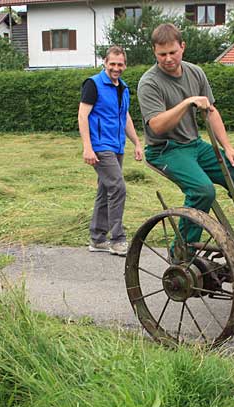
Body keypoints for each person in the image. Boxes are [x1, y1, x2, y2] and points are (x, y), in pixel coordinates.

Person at [137, 23, 234, 254]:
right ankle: (183, 250)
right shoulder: (149, 82)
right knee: (203, 191)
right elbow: (157, 126)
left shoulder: (195, 72)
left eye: (172, 52)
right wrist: (186, 103)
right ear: (154, 51)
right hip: (166, 150)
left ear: (182, 47)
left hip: (195, 145)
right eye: (161, 54)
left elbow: (211, 111)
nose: (167, 59)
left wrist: (228, 147)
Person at [78, 46, 142, 257]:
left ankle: (97, 239)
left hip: (117, 146)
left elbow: (125, 117)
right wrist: (87, 147)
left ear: (125, 65)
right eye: (112, 64)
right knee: (117, 187)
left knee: (106, 190)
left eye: (120, 64)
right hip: (100, 146)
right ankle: (117, 239)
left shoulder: (123, 87)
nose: (116, 68)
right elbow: (83, 116)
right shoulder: (93, 84)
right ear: (105, 63)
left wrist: (136, 142)